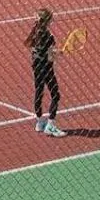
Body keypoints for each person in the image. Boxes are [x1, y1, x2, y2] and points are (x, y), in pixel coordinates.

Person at [24, 8, 64, 137]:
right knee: (55, 94)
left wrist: (45, 52)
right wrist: (58, 53)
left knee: (39, 91)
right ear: (48, 21)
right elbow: (50, 57)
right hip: (47, 68)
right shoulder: (49, 36)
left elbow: (28, 45)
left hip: (36, 66)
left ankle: (40, 122)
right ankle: (51, 125)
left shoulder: (35, 32)